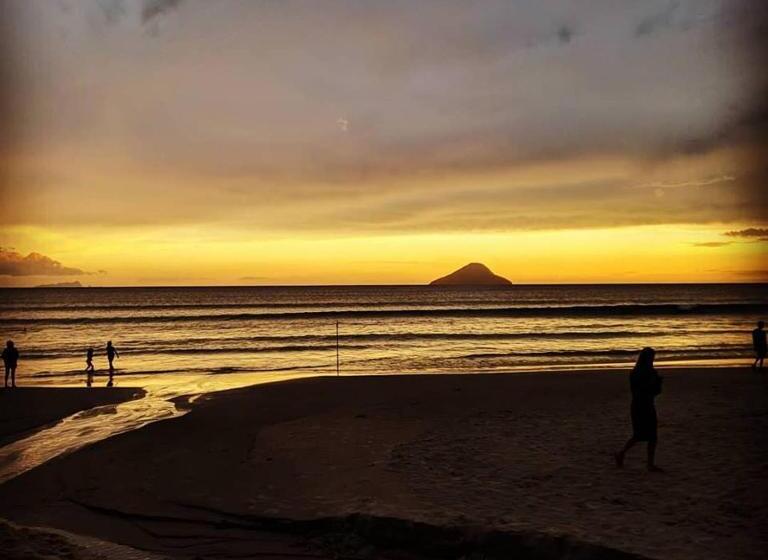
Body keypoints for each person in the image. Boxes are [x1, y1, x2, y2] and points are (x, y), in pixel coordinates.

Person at [615, 347, 663, 472]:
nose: (652, 360)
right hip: (641, 405)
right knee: (640, 435)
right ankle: (624, 454)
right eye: (651, 358)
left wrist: (657, 384)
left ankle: (648, 463)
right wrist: (654, 383)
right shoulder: (638, 373)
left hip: (644, 405)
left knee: (651, 436)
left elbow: (656, 392)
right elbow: (640, 391)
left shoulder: (645, 372)